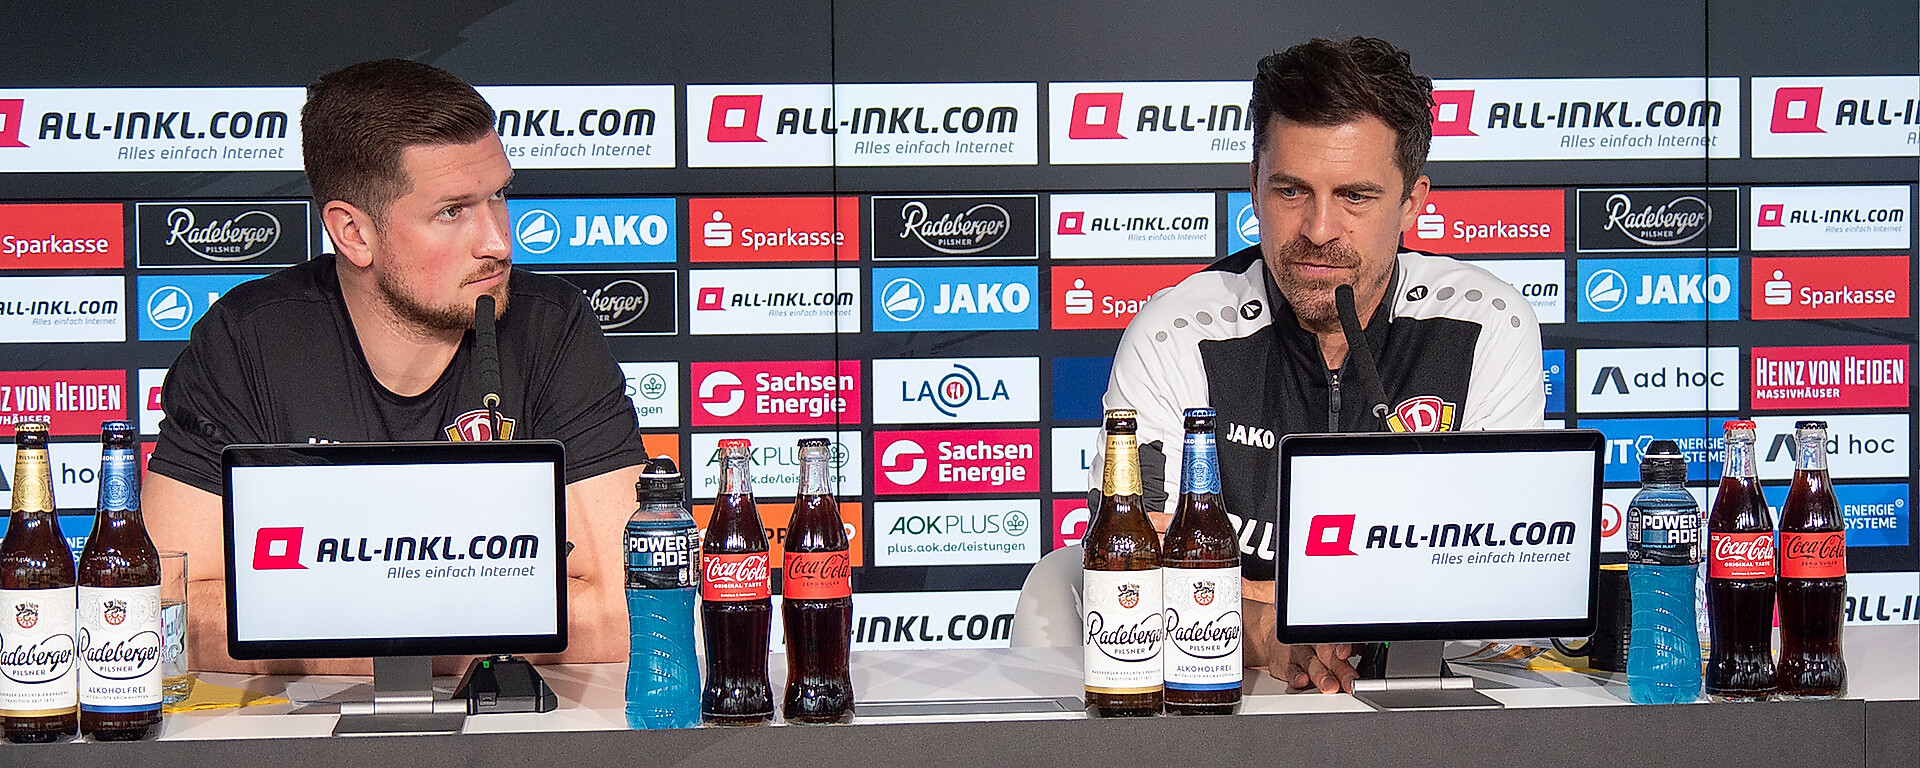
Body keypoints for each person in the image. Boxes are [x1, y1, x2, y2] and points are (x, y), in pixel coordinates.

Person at [143, 59, 649, 675]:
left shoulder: (552, 328)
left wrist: (327, 626)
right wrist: (474, 626)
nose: (497, 241)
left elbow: (633, 605)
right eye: (452, 211)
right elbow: (166, 613)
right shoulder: (245, 342)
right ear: (353, 232)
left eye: (499, 197)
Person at [1091, 37, 1546, 693]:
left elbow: (1497, 576)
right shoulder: (1175, 333)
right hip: (1228, 702)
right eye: (1291, 190)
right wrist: (1267, 636)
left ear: (1412, 203)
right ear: (1253, 183)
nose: (1319, 228)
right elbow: (1134, 577)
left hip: (1424, 702)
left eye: (1356, 196)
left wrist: (1243, 599)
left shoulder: (1485, 325)